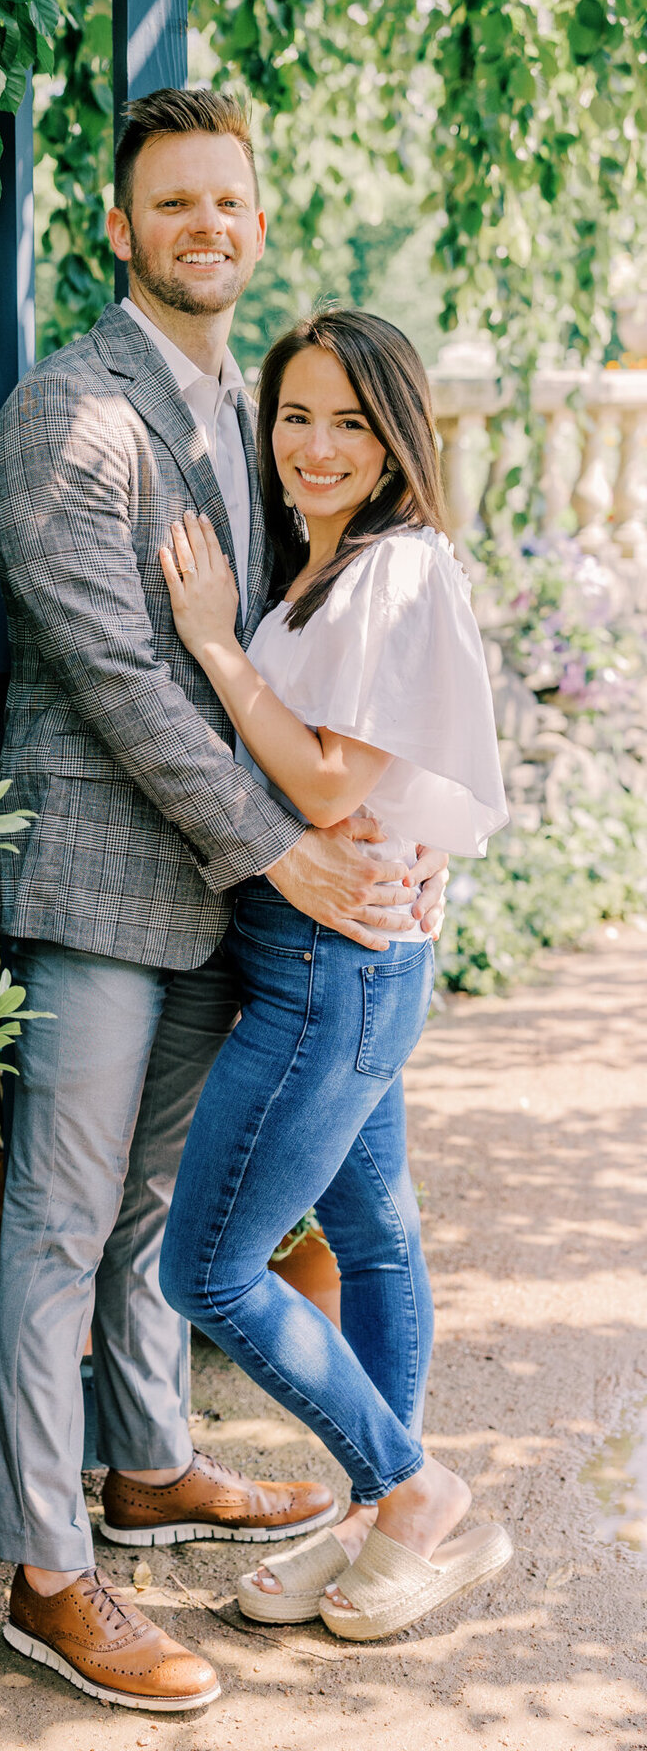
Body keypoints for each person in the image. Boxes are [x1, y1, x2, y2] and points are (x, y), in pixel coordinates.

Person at [0, 87, 448, 1712]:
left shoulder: (251, 419)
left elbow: (312, 658)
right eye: (170, 202)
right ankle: (51, 1577)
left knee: (155, 1225)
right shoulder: (70, 409)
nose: (204, 225)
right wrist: (278, 844)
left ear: (255, 216)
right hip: (111, 888)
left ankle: (151, 1462)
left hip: (218, 908)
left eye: (226, 201)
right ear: (122, 227)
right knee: (55, 1223)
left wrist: (382, 815)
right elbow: (121, 672)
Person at [157, 306, 511, 1642]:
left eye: (349, 422)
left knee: (212, 1268)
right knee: (371, 1238)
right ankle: (381, 1516)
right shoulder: (323, 567)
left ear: (396, 437)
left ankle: (412, 1489)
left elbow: (319, 776)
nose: (314, 444)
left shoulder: (399, 571)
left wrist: (208, 639)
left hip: (335, 970)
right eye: (293, 414)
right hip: (329, 959)